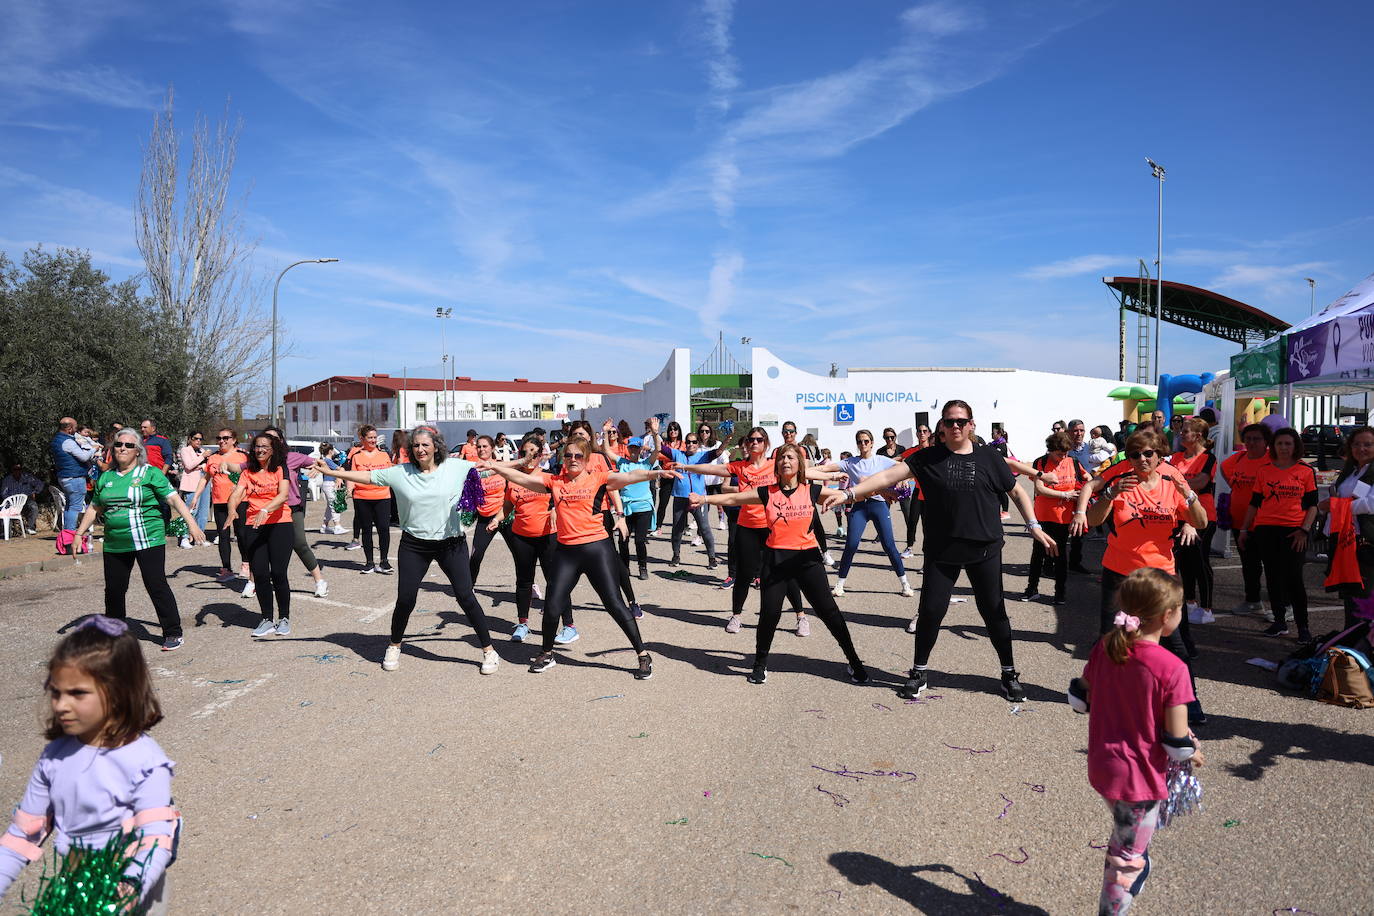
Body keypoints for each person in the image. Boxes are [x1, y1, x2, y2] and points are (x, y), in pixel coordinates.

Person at [822, 400, 1060, 702]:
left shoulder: (990, 457)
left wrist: (1034, 525)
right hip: (941, 552)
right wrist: (849, 493)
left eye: (962, 421)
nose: (956, 426)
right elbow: (887, 477)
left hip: (984, 550)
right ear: (942, 427)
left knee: (994, 613)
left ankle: (1008, 673)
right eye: (950, 422)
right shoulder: (928, 457)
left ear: (971, 424)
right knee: (931, 612)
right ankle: (919, 672)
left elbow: (1014, 490)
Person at [0, 618, 180, 912]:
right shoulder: (54, 757)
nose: (60, 705)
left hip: (133, 889)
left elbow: (156, 837)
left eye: (77, 693)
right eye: (56, 692)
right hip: (74, 884)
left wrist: (130, 885)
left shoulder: (145, 761)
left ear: (118, 691)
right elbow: (21, 836)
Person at [479, 438, 678, 679]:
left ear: (586, 459)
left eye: (578, 456)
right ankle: (547, 652)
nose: (573, 460)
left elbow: (629, 477)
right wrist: (497, 467)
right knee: (553, 605)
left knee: (614, 603)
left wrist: (656, 472)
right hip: (567, 552)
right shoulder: (554, 482)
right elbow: (523, 479)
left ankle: (642, 654)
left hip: (596, 549)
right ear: (563, 459)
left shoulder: (598, 478)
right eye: (568, 456)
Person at [1068, 568, 1203, 916]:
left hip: (1103, 767)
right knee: (1124, 859)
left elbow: (1080, 699)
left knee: (1128, 834)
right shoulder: (1172, 668)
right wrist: (1193, 749)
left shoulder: (1106, 648)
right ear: (1167, 616)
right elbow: (1175, 741)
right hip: (1138, 777)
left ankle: (1137, 861)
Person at [316, 427, 500, 673]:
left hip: (451, 544)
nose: (420, 449)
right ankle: (394, 644)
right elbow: (366, 477)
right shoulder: (400, 472)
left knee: (466, 597)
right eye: (415, 446)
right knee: (406, 599)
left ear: (436, 446)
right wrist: (329, 471)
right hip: (415, 545)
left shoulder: (457, 467)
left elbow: (494, 467)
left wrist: (526, 461)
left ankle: (489, 650)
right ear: (410, 449)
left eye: (425, 445)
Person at [691, 444, 869, 685]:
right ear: (776, 465)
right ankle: (760, 665)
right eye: (782, 457)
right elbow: (734, 497)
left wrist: (873, 491)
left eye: (791, 457)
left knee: (829, 612)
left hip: (807, 560)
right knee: (769, 615)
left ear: (800, 464)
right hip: (776, 561)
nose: (785, 460)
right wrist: (704, 498)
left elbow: (849, 494)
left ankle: (855, 662)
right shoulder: (767, 492)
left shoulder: (812, 490)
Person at [1071, 428, 1210, 725]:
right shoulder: (1121, 478)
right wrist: (1110, 494)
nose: (1142, 459)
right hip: (1121, 571)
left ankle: (1190, 702)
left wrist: (1190, 498)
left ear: (1159, 454)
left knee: (1173, 642)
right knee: (1111, 636)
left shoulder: (1173, 477)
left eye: (1148, 454)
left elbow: (1201, 520)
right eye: (1135, 454)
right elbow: (1095, 520)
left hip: (1161, 575)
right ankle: (1100, 695)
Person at [73, 429, 203, 651]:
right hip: (115, 542)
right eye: (119, 444)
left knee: (156, 584)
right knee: (114, 589)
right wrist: (79, 534)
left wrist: (192, 524)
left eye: (129, 445)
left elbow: (174, 501)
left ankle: (172, 632)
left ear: (138, 451)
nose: (123, 448)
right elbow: (95, 507)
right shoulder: (106, 477)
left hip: (148, 539)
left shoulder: (150, 473)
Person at [679, 427, 813, 635]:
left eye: (759, 440)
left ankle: (801, 617)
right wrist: (687, 467)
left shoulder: (774, 466)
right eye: (751, 440)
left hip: (773, 527)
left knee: (785, 573)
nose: (754, 443)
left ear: (766, 444)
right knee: (744, 574)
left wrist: (837, 475)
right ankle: (736, 616)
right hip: (747, 527)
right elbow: (712, 470)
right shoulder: (740, 467)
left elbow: (804, 472)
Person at [1239, 428, 1317, 641]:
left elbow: (1313, 506)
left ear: (1295, 446)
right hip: (1266, 530)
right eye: (1279, 443)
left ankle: (1303, 627)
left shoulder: (1305, 471)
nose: (1283, 448)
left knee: (1294, 579)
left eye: (1288, 444)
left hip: (1294, 531)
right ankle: (1279, 622)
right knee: (1273, 577)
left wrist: (1304, 530)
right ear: (1273, 446)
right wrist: (1244, 529)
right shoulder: (1264, 471)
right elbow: (1254, 503)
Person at [816, 430, 914, 598]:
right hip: (859, 505)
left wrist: (903, 480)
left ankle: (905, 584)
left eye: (866, 441)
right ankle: (839, 585)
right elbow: (826, 468)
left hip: (878, 505)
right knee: (851, 545)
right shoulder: (850, 462)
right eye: (860, 441)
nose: (863, 444)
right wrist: (804, 469)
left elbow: (905, 468)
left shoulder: (881, 460)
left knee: (889, 546)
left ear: (872, 442)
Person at [227, 434, 294, 637]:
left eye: (265, 446)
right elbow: (237, 493)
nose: (260, 450)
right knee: (261, 574)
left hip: (279, 525)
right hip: (254, 526)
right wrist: (232, 510)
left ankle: (284, 618)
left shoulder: (280, 468)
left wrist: (265, 510)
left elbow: (283, 495)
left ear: (273, 449)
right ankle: (267, 618)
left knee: (279, 573)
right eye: (257, 447)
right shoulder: (248, 472)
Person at [503, 434, 563, 642]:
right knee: (523, 581)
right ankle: (522, 624)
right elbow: (507, 506)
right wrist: (495, 519)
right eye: (524, 453)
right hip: (522, 536)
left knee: (555, 581)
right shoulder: (512, 478)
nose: (529, 457)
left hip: (548, 536)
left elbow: (563, 498)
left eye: (534, 454)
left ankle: (566, 625)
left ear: (541, 456)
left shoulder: (549, 476)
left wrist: (555, 508)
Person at [1022, 431, 1088, 605]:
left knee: (1060, 556)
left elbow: (1087, 479)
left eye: (1066, 453)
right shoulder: (1040, 462)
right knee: (1038, 553)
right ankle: (1031, 589)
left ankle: (1060, 592)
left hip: (1064, 517)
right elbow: (1040, 489)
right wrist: (1066, 495)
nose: (1063, 457)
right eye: (1059, 454)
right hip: (1043, 515)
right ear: (1050, 450)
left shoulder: (1073, 462)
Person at [1320, 426, 1374, 633]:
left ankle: (1361, 648)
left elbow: (1370, 504)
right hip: (1346, 541)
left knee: (1364, 597)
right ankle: (1350, 643)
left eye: (1368, 444)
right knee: (1351, 596)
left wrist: (1334, 506)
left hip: (1366, 543)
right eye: (1357, 444)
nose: (1361, 448)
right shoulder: (1351, 471)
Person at [1168, 418, 1219, 626]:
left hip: (1202, 517)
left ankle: (1207, 608)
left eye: (1185, 431)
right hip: (1178, 516)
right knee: (1184, 562)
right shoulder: (1176, 457)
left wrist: (1178, 484)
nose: (1181, 433)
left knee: (1199, 560)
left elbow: (1202, 481)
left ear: (1198, 436)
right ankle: (1190, 601)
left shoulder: (1208, 458)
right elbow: (1166, 479)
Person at [1220, 424, 1273, 618]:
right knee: (1249, 565)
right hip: (1240, 522)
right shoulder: (1238, 458)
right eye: (1248, 438)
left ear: (1266, 441)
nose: (1251, 442)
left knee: (1272, 566)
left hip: (1266, 522)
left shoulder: (1272, 460)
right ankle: (1253, 601)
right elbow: (1224, 470)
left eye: (1256, 439)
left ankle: (1284, 605)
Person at [660, 428, 723, 569]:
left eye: (694, 442)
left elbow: (718, 452)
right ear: (685, 443)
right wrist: (654, 432)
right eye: (688, 442)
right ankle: (676, 556)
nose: (691, 444)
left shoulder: (702, 456)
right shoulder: (677, 454)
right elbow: (660, 448)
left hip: (697, 499)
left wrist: (725, 441)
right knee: (677, 529)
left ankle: (712, 558)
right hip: (680, 497)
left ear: (698, 443)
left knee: (705, 528)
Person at [194, 430, 249, 583]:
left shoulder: (242, 456)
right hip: (219, 502)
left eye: (226, 438)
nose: (222, 441)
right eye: (219, 438)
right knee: (223, 536)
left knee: (242, 534)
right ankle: (226, 569)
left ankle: (246, 564)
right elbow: (205, 479)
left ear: (234, 440)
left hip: (239, 501)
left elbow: (251, 476)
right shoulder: (213, 458)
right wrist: (196, 496)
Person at [604, 433, 656, 582]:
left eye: (636, 448)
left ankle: (643, 567)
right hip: (626, 508)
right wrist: (606, 432)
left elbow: (657, 451)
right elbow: (607, 451)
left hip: (643, 507)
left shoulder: (646, 464)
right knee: (623, 540)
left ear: (640, 449)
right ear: (628, 449)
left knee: (640, 540)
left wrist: (655, 433)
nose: (633, 450)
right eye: (631, 447)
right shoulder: (623, 463)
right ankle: (624, 567)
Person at [349, 425, 394, 574]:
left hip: (382, 496)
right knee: (366, 529)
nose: (373, 440)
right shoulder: (357, 456)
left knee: (383, 529)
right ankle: (369, 562)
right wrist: (348, 489)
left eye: (375, 437)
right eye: (370, 437)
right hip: (362, 497)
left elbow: (390, 475)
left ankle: (384, 561)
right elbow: (352, 476)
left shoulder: (384, 455)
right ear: (362, 439)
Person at [468, 436, 510, 583]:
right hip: (485, 517)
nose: (482, 449)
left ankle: (529, 586)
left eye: (485, 446)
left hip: (505, 515)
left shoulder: (501, 466)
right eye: (479, 447)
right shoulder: (473, 470)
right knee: (475, 556)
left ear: (492, 448)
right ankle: (468, 587)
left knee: (521, 555)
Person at [51, 416, 96, 548]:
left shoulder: (56, 440)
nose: (76, 430)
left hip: (65, 477)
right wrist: (94, 448)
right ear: (69, 428)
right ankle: (69, 536)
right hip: (74, 478)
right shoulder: (67, 442)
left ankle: (67, 533)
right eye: (75, 428)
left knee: (70, 506)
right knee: (75, 508)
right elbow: (83, 457)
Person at [175, 432, 209, 548]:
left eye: (200, 439)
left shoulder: (202, 451)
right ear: (190, 439)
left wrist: (201, 463)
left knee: (203, 512)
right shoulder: (185, 450)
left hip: (205, 482)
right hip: (192, 484)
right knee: (190, 511)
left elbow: (207, 466)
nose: (198, 441)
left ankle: (200, 537)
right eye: (196, 439)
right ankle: (184, 537)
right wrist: (203, 458)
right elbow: (189, 465)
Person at [654, 420, 684, 530]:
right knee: (663, 502)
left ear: (679, 431)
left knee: (682, 502)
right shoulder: (665, 444)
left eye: (675, 429)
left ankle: (683, 527)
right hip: (667, 475)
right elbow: (658, 456)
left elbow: (683, 457)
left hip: (679, 475)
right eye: (670, 429)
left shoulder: (683, 443)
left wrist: (668, 456)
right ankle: (658, 526)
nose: (673, 431)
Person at [1, 460, 43, 534]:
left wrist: (34, 492)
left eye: (19, 469)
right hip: (12, 502)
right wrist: (11, 500)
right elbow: (3, 493)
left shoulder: (27, 477)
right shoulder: (7, 480)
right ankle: (6, 531)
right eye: (15, 469)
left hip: (26, 500)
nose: (17, 471)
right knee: (3, 510)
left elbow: (40, 484)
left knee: (34, 507)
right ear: (12, 470)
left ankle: (30, 527)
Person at [318, 443, 346, 534]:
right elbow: (339, 469)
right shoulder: (328, 460)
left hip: (328, 483)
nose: (334, 451)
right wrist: (341, 466)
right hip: (329, 483)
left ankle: (324, 526)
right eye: (333, 450)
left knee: (330, 507)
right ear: (330, 451)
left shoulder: (326, 460)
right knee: (334, 504)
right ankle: (337, 526)